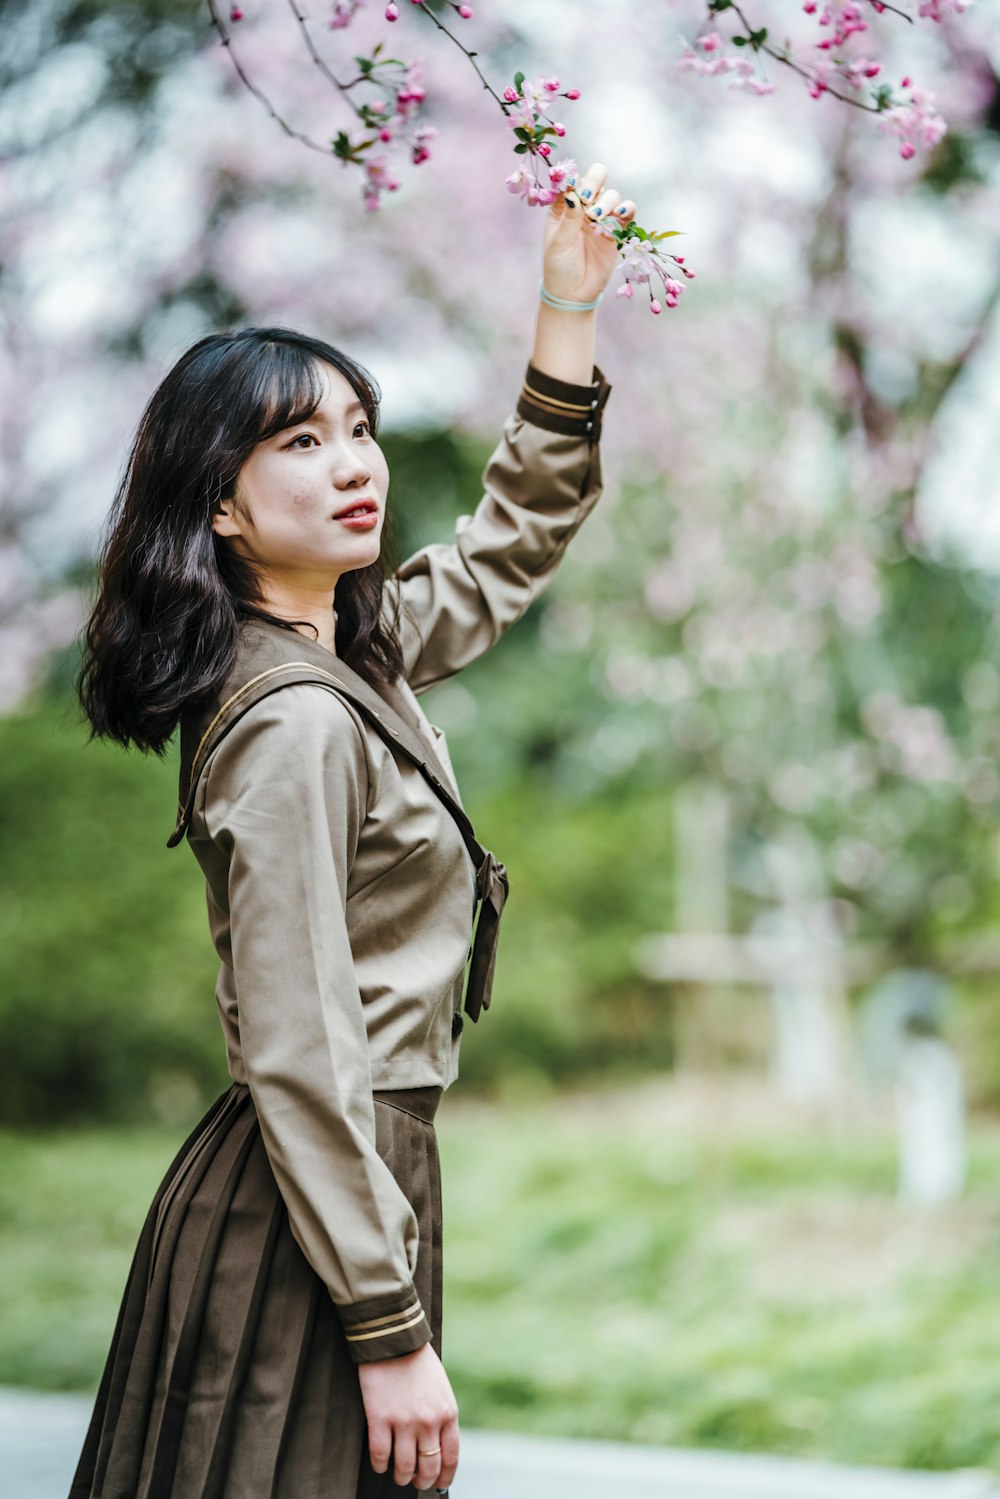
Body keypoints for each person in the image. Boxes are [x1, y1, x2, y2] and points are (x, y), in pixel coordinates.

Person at [70, 160, 626, 1498]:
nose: (357, 465)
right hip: (309, 1195)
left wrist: (566, 314)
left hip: (351, 1183)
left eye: (361, 428)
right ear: (220, 501)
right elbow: (302, 1040)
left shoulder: (352, 657)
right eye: (301, 444)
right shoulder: (293, 720)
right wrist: (386, 1325)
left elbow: (511, 543)